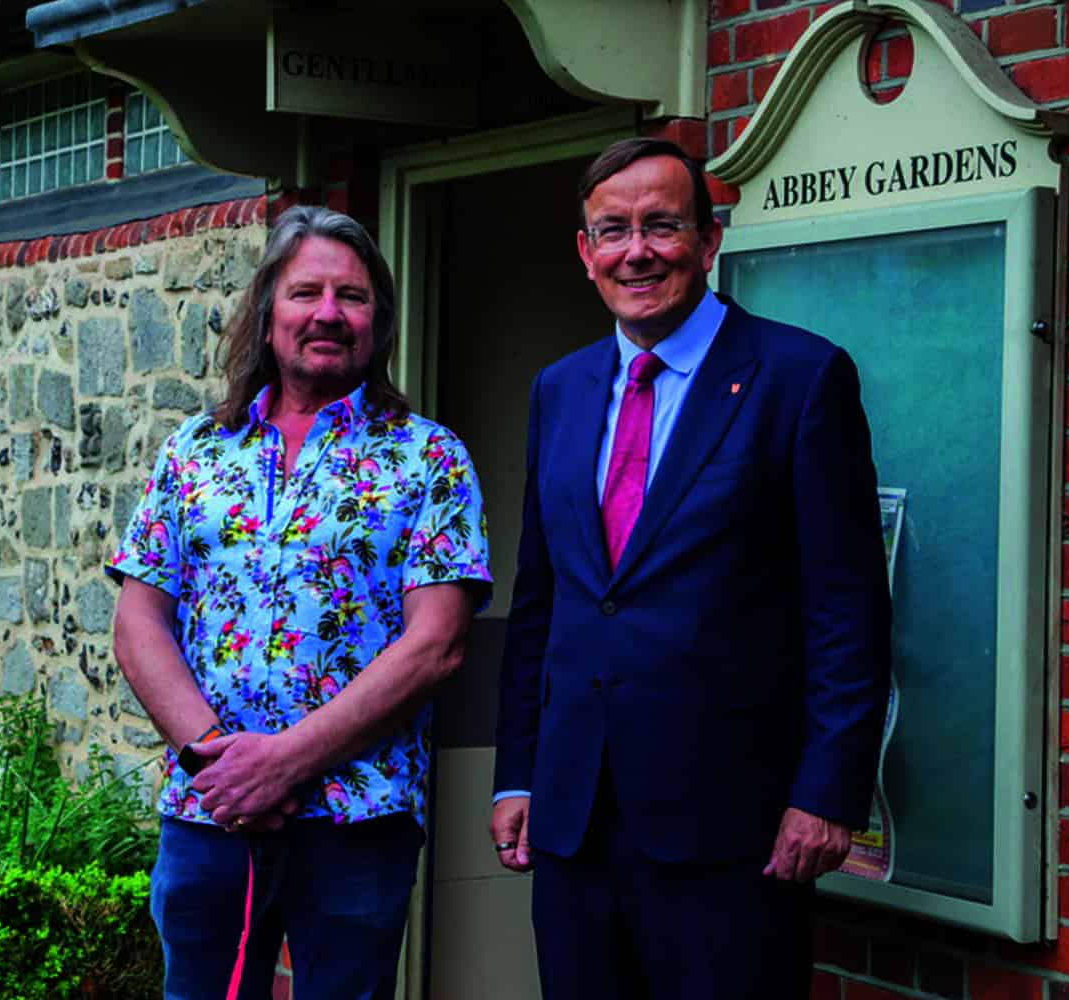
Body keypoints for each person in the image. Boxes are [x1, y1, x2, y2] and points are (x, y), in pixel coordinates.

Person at [490, 137, 891, 998]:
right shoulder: (558, 389)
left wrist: (826, 793)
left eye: (663, 226)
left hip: (730, 827)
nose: (638, 250)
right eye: (613, 230)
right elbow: (544, 602)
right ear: (586, 251)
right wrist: (519, 772)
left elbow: (847, 607)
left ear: (709, 242)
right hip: (575, 820)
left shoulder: (799, 377)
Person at [109, 205, 490, 1000]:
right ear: (268, 311)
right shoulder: (196, 451)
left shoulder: (429, 458)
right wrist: (220, 761)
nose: (327, 313)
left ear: (378, 320)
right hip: (211, 815)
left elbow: (437, 644)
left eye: (351, 297)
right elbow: (140, 620)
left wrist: (284, 761)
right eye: (305, 291)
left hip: (359, 821)